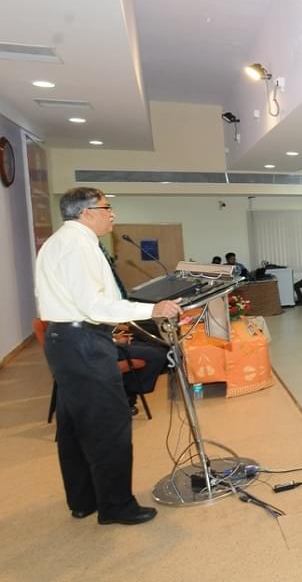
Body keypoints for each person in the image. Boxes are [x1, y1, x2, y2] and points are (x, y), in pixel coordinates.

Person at [35, 187, 183, 525]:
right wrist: (153, 308)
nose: (112, 214)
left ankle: (84, 499)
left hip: (66, 340)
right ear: (87, 212)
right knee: (109, 426)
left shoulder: (59, 241)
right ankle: (116, 505)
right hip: (84, 341)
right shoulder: (78, 245)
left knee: (73, 427)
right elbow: (95, 304)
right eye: (107, 207)